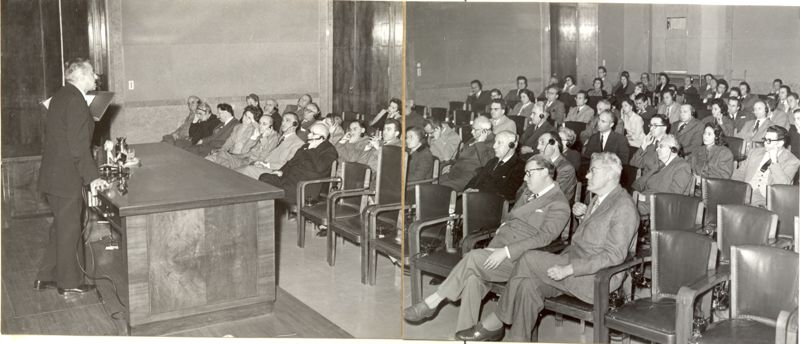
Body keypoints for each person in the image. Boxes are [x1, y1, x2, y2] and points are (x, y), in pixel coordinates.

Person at [455, 152, 638, 341]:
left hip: (594, 280)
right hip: (573, 264)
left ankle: (496, 321)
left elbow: (613, 256)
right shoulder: (599, 199)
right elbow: (597, 236)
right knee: (526, 286)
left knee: (528, 258)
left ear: (609, 175)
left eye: (593, 171)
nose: (586, 175)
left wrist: (569, 269)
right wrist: (584, 219)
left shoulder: (624, 207)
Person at [404, 156, 571, 335]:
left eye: (529, 173)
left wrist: (505, 251)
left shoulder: (559, 204)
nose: (525, 178)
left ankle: (433, 301)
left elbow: (543, 239)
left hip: (522, 260)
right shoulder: (529, 193)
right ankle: (464, 335)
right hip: (500, 247)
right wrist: (499, 236)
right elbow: (510, 218)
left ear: (545, 172)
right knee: (472, 279)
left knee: (473, 257)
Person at [36, 58, 110, 295]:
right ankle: (69, 283)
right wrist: (92, 177)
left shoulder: (61, 95)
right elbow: (78, 146)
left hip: (53, 174)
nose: (95, 78)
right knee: (69, 229)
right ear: (79, 76)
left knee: (60, 227)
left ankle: (45, 276)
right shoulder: (77, 101)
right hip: (66, 176)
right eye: (91, 74)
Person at [259, 123, 338, 205]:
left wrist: (312, 150)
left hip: (305, 187)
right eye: (310, 132)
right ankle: (268, 213)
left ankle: (270, 213)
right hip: (290, 180)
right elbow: (291, 162)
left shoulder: (329, 150)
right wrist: (281, 171)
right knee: (264, 178)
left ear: (322, 138)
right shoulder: (305, 146)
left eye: (313, 133)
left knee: (271, 190)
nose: (309, 135)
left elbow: (320, 167)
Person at [732, 125, 800, 206]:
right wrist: (735, 190)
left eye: (769, 140)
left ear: (780, 143)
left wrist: (774, 161)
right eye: (764, 139)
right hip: (745, 193)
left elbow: (783, 186)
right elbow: (739, 174)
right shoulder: (754, 152)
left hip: (766, 199)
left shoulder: (792, 161)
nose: (764, 143)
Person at [632, 134, 694, 215]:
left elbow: (674, 195)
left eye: (661, 146)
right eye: (657, 146)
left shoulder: (683, 166)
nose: (657, 149)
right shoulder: (660, 165)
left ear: (673, 150)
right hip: (644, 202)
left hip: (661, 207)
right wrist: (634, 192)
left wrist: (644, 198)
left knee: (624, 210)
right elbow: (641, 182)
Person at [236, 113, 304, 179]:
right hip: (262, 165)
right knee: (236, 170)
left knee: (246, 170)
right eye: (283, 120)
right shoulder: (281, 138)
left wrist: (266, 164)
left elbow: (288, 165)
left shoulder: (298, 143)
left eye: (287, 120)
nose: (283, 123)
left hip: (275, 172)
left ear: (295, 124)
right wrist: (261, 163)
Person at [464, 131, 525, 201]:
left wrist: (479, 192)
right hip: (473, 199)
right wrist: (467, 190)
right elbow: (477, 179)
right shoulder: (492, 162)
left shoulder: (520, 166)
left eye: (499, 143)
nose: (494, 146)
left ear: (512, 145)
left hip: (492, 204)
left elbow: (508, 193)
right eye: (495, 142)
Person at [438, 116, 495, 192]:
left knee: (442, 188)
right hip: (455, 171)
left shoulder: (493, 142)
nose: (472, 132)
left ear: (485, 131)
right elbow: (462, 157)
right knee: (432, 184)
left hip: (469, 176)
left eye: (475, 129)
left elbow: (487, 163)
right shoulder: (473, 139)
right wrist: (452, 165)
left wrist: (480, 143)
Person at [212, 115, 280, 170]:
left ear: (271, 127)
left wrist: (263, 138)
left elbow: (265, 155)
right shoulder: (259, 133)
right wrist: (253, 137)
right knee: (220, 155)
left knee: (219, 159)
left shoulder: (274, 137)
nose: (260, 126)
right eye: (260, 123)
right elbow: (244, 150)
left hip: (250, 163)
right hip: (243, 158)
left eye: (264, 124)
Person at [630, 114, 670, 191]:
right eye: (650, 125)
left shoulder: (669, 144)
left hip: (658, 185)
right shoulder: (649, 143)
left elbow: (656, 169)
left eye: (655, 126)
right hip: (644, 184)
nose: (651, 128)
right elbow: (634, 163)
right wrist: (643, 145)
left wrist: (639, 184)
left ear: (664, 127)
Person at [534, 132, 577, 201]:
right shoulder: (538, 162)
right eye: (538, 143)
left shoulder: (566, 169)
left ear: (554, 144)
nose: (538, 147)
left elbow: (553, 196)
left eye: (542, 143)